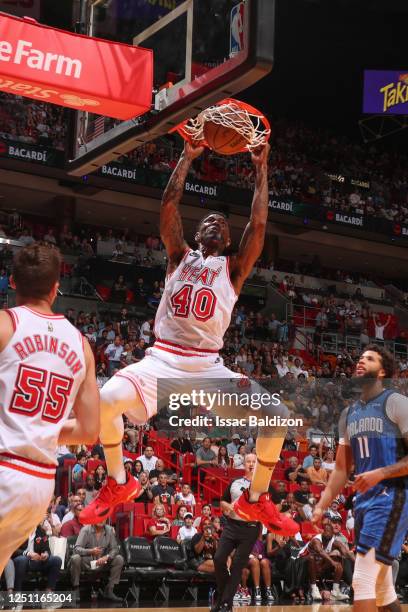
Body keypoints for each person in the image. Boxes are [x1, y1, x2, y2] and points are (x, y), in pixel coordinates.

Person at [81, 142, 296, 537]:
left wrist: (262, 169)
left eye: (223, 224)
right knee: (104, 402)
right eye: (209, 221)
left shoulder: (232, 269)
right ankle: (118, 481)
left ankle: (255, 499)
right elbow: (167, 206)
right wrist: (187, 154)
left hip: (208, 366)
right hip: (161, 359)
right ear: (197, 234)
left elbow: (259, 225)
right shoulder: (179, 256)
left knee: (278, 417)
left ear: (229, 241)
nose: (216, 223)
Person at [0, 243, 100, 576]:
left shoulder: (6, 324)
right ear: (57, 288)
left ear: (12, 282)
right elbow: (88, 430)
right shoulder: (81, 344)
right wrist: (42, 426)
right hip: (39, 486)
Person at [313, 344, 408, 612]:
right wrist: (322, 503)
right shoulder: (349, 413)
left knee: (362, 580)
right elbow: (342, 470)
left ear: (383, 372)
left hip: (393, 496)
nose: (360, 362)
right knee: (381, 587)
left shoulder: (396, 403)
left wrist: (380, 472)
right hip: (365, 501)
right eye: (359, 358)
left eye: (369, 359)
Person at [212, 454, 296, 612]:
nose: (251, 464)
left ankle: (224, 604)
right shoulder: (235, 482)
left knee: (237, 565)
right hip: (231, 526)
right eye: (248, 462)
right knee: (218, 559)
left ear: (257, 465)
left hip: (251, 529)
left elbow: (278, 504)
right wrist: (228, 507)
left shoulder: (264, 485)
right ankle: (224, 596)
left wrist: (264, 513)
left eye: (254, 462)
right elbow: (222, 501)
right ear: (243, 464)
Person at [70, 520, 124, 602]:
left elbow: (115, 549)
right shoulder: (85, 530)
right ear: (94, 519)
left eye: (103, 518)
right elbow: (77, 549)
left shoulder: (109, 530)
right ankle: (76, 589)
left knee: (119, 559)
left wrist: (107, 557)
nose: (101, 520)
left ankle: (109, 590)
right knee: (75, 558)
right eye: (99, 518)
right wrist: (91, 551)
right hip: (87, 561)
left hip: (102, 561)